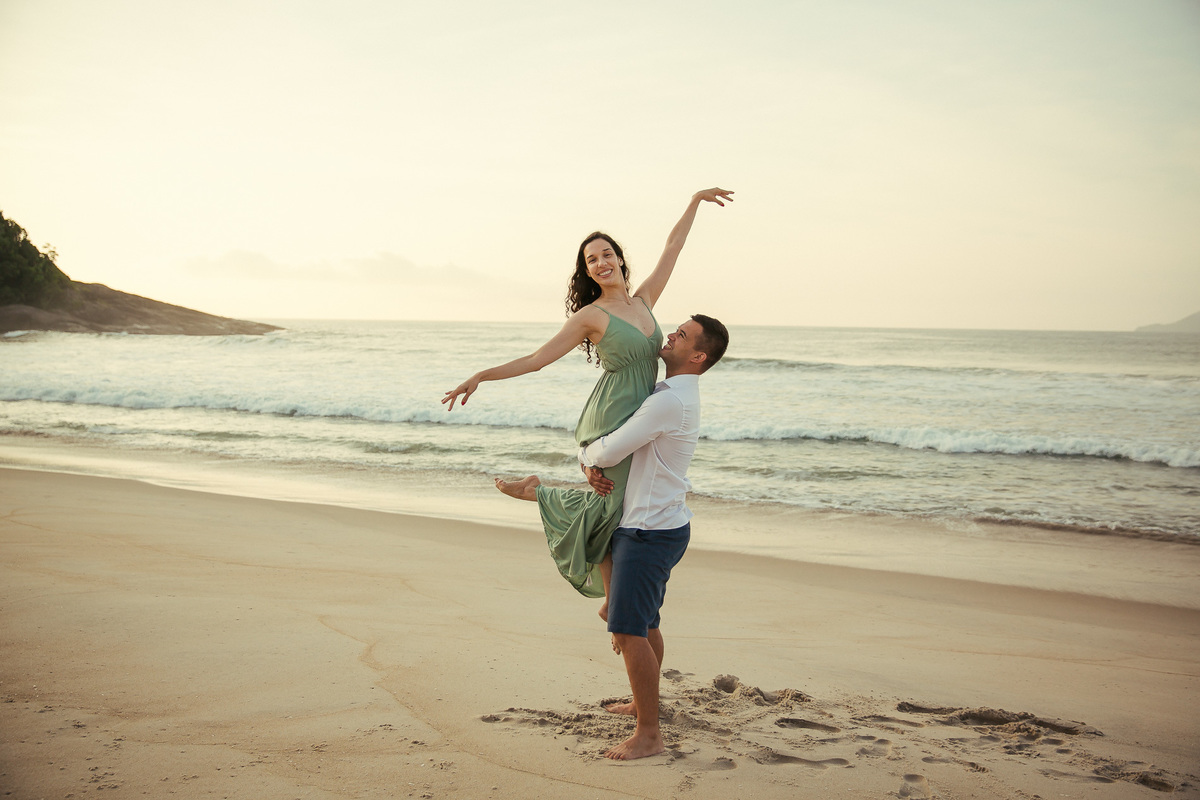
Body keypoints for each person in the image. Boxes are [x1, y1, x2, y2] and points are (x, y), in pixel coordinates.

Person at [442, 189, 733, 606]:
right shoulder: (590, 316)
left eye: (606, 254)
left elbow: (674, 247)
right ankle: (612, 600)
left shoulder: (645, 300)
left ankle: (543, 499)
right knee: (611, 501)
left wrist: (694, 201)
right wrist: (482, 376)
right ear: (588, 270)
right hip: (614, 410)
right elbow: (538, 359)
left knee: (617, 503)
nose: (600, 262)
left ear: (619, 259)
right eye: (591, 259)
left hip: (642, 406)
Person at [579, 313, 730, 760]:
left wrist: (586, 455)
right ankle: (644, 706)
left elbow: (610, 448)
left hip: (649, 532)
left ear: (698, 356)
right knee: (645, 624)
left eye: (682, 335)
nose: (672, 334)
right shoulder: (669, 393)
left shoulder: (669, 402)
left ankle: (649, 734)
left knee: (627, 630)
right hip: (660, 525)